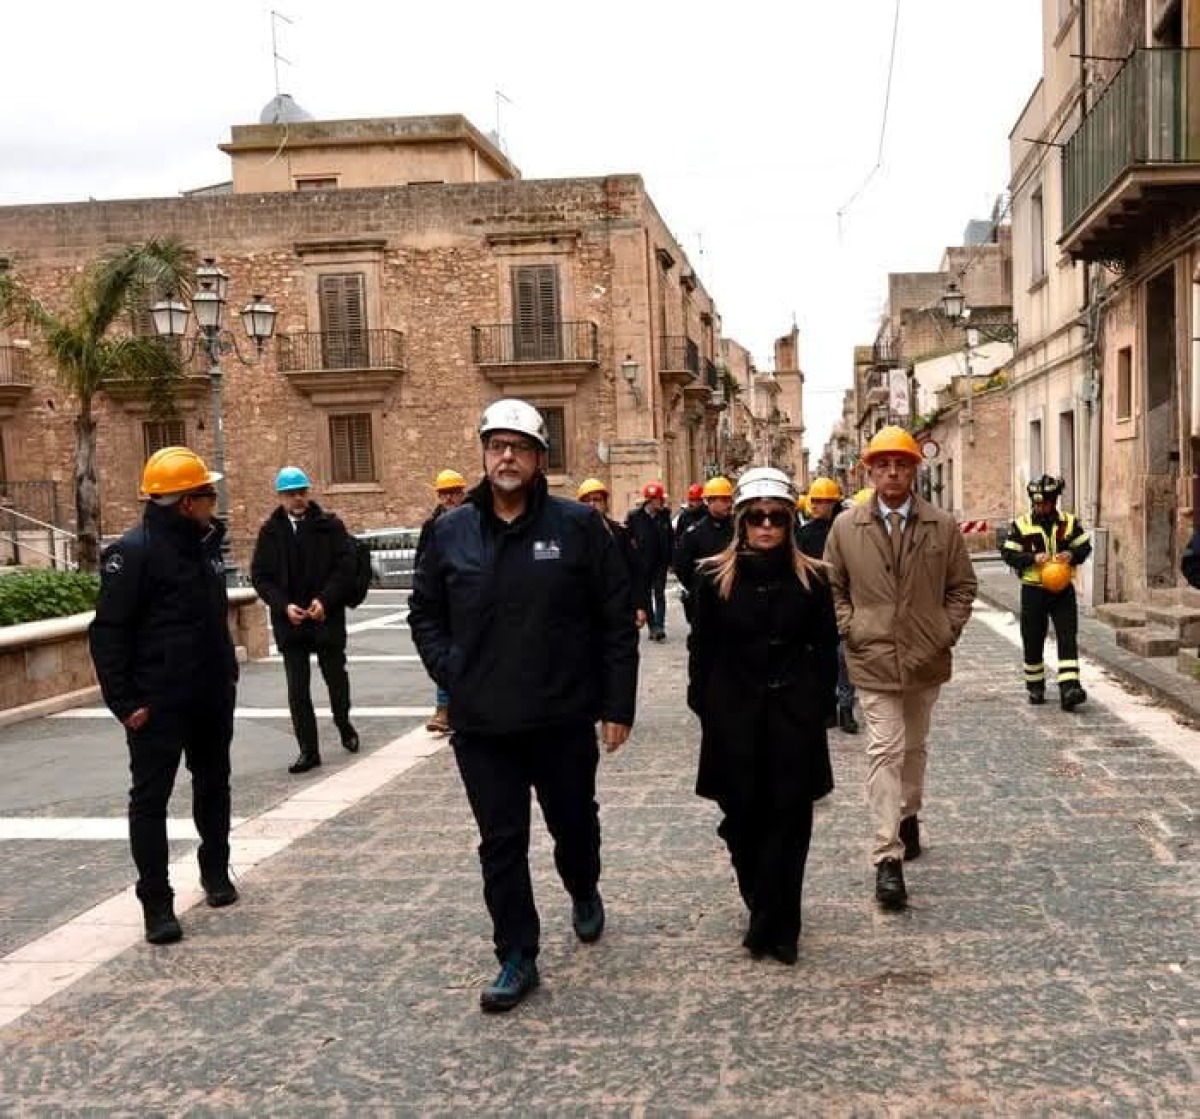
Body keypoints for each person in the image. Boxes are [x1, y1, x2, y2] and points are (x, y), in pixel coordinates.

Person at [409, 398, 638, 1013]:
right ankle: (517, 953)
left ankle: (583, 887)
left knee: (574, 825)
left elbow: (615, 618)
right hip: (483, 724)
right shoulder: (451, 529)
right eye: (496, 445)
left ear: (540, 458)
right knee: (500, 843)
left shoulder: (578, 527)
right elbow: (425, 612)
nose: (506, 456)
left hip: (561, 717)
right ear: (484, 455)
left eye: (519, 446)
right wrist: (450, 671)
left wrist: (617, 702)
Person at [88, 446, 240, 945]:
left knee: (214, 784)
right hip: (157, 705)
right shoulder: (132, 553)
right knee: (150, 801)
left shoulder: (206, 545)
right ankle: (156, 902)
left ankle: (215, 871)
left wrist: (227, 676)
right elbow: (108, 633)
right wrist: (125, 704)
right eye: (207, 493)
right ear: (185, 501)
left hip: (210, 695)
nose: (214, 500)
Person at [687, 467, 838, 965]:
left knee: (791, 822)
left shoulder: (813, 577)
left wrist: (817, 703)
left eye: (776, 517)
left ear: (789, 522)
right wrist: (705, 702)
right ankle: (760, 901)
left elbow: (823, 647)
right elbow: (702, 645)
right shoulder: (712, 576)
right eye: (757, 518)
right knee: (743, 819)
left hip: (793, 716)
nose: (767, 526)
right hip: (734, 716)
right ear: (743, 523)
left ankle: (780, 926)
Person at [824, 426, 977, 911]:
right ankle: (887, 856)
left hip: (925, 657)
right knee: (884, 751)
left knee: (914, 749)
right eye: (883, 464)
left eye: (902, 464)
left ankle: (909, 814)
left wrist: (943, 630)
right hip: (872, 657)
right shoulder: (846, 528)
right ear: (869, 470)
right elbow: (833, 587)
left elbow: (962, 587)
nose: (893, 472)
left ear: (915, 469)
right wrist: (851, 627)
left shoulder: (942, 526)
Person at [250, 466, 359, 775]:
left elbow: (345, 567)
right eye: (291, 493)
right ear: (281, 496)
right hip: (292, 622)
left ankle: (343, 722)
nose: (297, 498)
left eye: (302, 492)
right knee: (298, 689)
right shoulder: (270, 531)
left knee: (336, 677)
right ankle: (308, 750)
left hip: (325, 616)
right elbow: (261, 576)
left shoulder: (330, 526)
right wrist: (283, 606)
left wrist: (325, 600)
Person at [1001, 475, 1093, 711]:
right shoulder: (1021, 525)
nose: (1040, 507)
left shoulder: (1069, 523)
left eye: (1044, 503)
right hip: (1034, 591)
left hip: (1062, 591)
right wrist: (1032, 558)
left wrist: (1072, 555)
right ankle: (1035, 686)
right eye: (1036, 503)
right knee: (1032, 639)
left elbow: (1084, 546)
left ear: (1054, 501)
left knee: (1067, 637)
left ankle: (1069, 688)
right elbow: (1009, 553)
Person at [797, 476, 859, 734]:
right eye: (816, 501)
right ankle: (827, 706)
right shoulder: (804, 533)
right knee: (821, 659)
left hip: (844, 600)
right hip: (816, 604)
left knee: (845, 658)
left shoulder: (847, 529)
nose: (819, 506)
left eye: (824, 502)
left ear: (834, 503)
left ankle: (846, 707)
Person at [416, 468, 468, 734]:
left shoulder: (475, 521)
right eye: (444, 493)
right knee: (446, 653)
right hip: (443, 602)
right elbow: (422, 566)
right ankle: (444, 709)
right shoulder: (431, 527)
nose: (449, 498)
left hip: (469, 600)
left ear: (462, 494)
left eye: (453, 493)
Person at [577, 477, 649, 629]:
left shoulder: (620, 534)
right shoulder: (572, 536)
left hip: (619, 610)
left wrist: (640, 606)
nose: (592, 505)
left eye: (597, 500)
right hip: (585, 613)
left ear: (605, 503)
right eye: (586, 501)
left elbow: (636, 571)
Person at [672, 475, 735, 624]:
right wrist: (697, 587)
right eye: (724, 500)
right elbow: (682, 566)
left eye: (729, 500)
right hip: (705, 602)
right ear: (711, 501)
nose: (729, 504)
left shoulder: (738, 529)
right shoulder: (694, 533)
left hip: (735, 598)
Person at [626, 480, 674, 642]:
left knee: (659, 593)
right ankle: (652, 626)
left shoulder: (664, 515)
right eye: (658, 499)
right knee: (645, 595)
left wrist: (671, 559)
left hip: (660, 562)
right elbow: (628, 538)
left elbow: (670, 538)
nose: (661, 502)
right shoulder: (635, 517)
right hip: (642, 563)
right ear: (650, 500)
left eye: (661, 499)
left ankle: (659, 626)